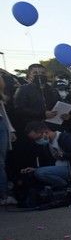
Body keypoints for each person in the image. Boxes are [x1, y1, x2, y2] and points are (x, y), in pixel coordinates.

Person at [12, 64, 62, 172]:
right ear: (29, 75)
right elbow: (18, 109)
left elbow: (59, 105)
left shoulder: (52, 90)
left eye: (42, 73)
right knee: (33, 156)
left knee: (52, 155)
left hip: (51, 128)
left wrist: (64, 114)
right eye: (35, 73)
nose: (40, 75)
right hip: (32, 130)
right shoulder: (23, 89)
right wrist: (42, 114)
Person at [22, 121, 71, 188]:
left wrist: (64, 155)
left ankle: (67, 186)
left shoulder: (64, 137)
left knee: (40, 173)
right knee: (37, 172)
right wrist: (36, 169)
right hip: (62, 168)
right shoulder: (47, 145)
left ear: (45, 132)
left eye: (37, 138)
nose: (37, 141)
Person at [0, 76, 18, 205]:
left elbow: (3, 114)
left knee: (1, 163)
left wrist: (10, 129)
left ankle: (4, 195)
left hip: (1, 126)